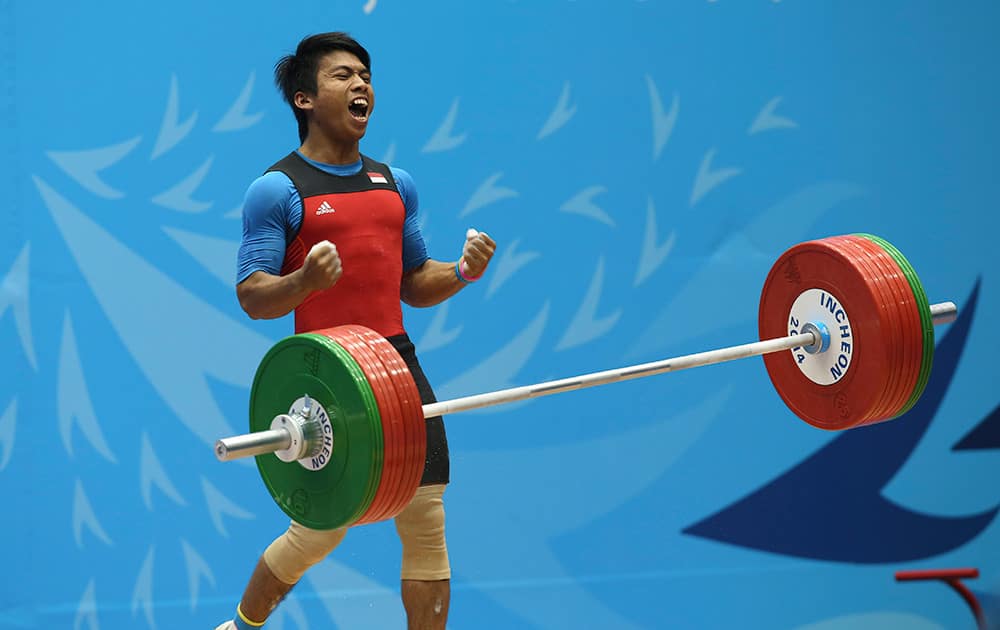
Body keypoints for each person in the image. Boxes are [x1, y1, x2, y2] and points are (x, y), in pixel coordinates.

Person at [216, 32, 496, 630]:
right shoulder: (278, 189)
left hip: (397, 360)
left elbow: (416, 282)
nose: (361, 84)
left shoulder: (396, 184)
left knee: (426, 512)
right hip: (327, 372)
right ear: (304, 99)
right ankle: (241, 626)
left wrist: (463, 271)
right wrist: (303, 282)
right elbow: (251, 296)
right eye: (342, 76)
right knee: (320, 528)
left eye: (365, 75)